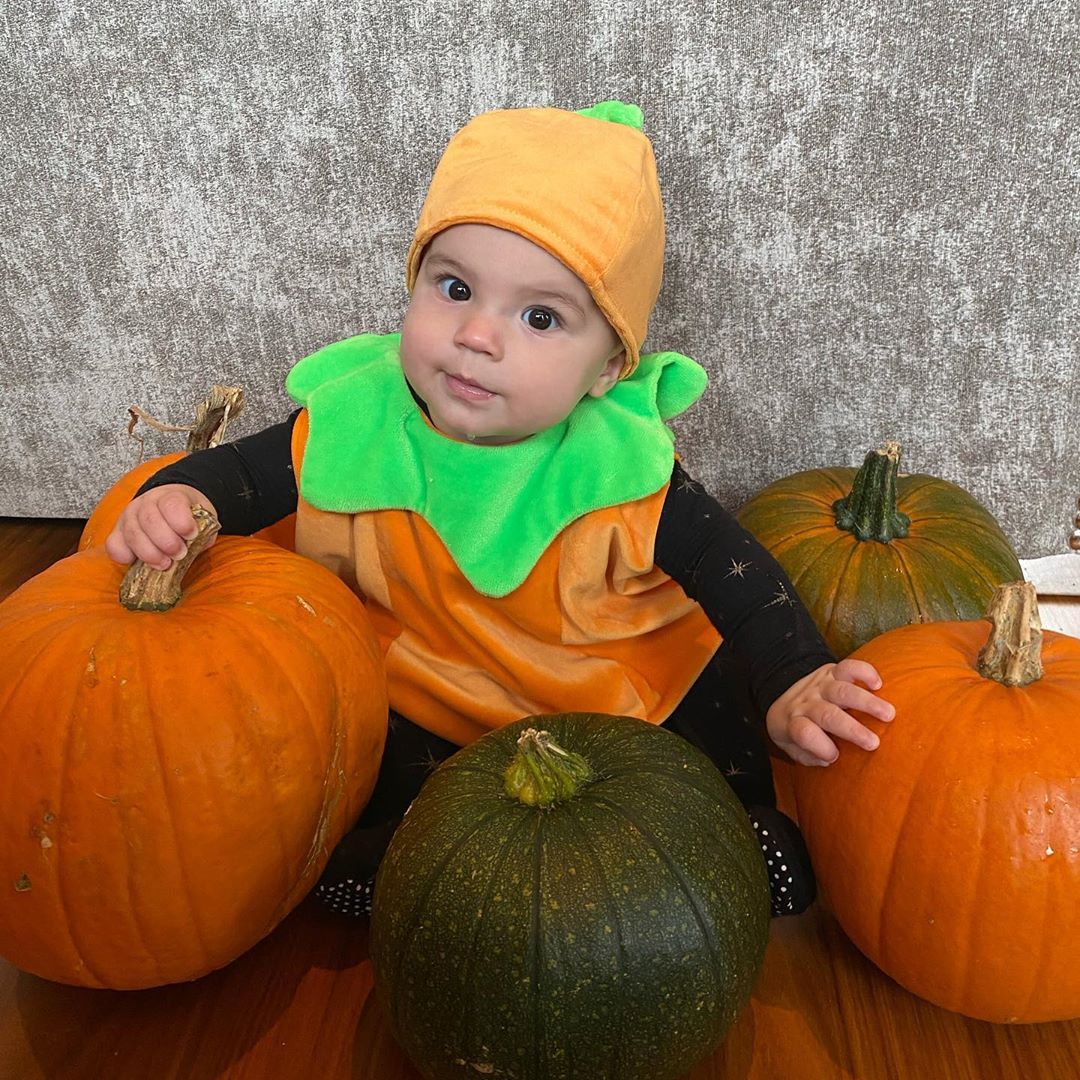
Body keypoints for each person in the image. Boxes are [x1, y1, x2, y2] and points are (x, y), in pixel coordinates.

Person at [105, 100, 894, 918]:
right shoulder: (355, 423)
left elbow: (738, 577)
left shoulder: (613, 466)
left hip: (613, 688)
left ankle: (737, 843)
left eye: (541, 317)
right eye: (454, 288)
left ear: (607, 367)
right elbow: (238, 477)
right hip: (434, 683)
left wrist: (794, 678)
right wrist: (178, 499)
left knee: (705, 738)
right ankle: (401, 869)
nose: (479, 335)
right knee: (385, 773)